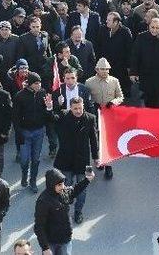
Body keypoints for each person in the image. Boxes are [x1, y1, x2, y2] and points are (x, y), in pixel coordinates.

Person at [53, 96, 99, 224]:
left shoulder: (90, 118)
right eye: (75, 109)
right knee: (65, 186)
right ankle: (64, 211)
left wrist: (96, 157)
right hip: (66, 159)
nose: (78, 111)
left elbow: (94, 140)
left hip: (83, 160)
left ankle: (78, 211)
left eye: (80, 108)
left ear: (83, 106)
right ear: (70, 108)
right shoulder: (63, 115)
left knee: (83, 188)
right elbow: (51, 118)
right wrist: (53, 106)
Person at [34, 167, 94, 255]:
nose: (62, 187)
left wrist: (87, 180)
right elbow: (39, 226)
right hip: (51, 242)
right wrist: (45, 248)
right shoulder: (43, 201)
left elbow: (74, 191)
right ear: (51, 184)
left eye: (62, 183)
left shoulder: (64, 191)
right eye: (59, 185)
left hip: (65, 239)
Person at [13, 72, 53, 192]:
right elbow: (15, 117)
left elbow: (48, 115)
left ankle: (33, 181)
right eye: (36, 83)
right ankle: (24, 175)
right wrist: (18, 132)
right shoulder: (20, 96)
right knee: (25, 159)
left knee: (36, 159)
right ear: (30, 84)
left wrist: (49, 107)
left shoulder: (43, 93)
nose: (38, 85)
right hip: (25, 132)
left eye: (39, 82)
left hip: (39, 131)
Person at [85, 57, 124, 179]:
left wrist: (113, 102)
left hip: (109, 114)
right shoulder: (89, 82)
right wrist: (91, 106)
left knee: (107, 141)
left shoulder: (114, 81)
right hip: (95, 113)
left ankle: (109, 166)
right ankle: (99, 159)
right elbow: (87, 99)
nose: (104, 71)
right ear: (96, 69)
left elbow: (120, 96)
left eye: (106, 69)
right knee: (96, 139)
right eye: (102, 69)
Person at [130, 18, 159, 107]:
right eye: (152, 27)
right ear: (148, 27)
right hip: (146, 75)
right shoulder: (141, 37)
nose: (154, 30)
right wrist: (133, 72)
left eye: (157, 27)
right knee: (148, 102)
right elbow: (135, 56)